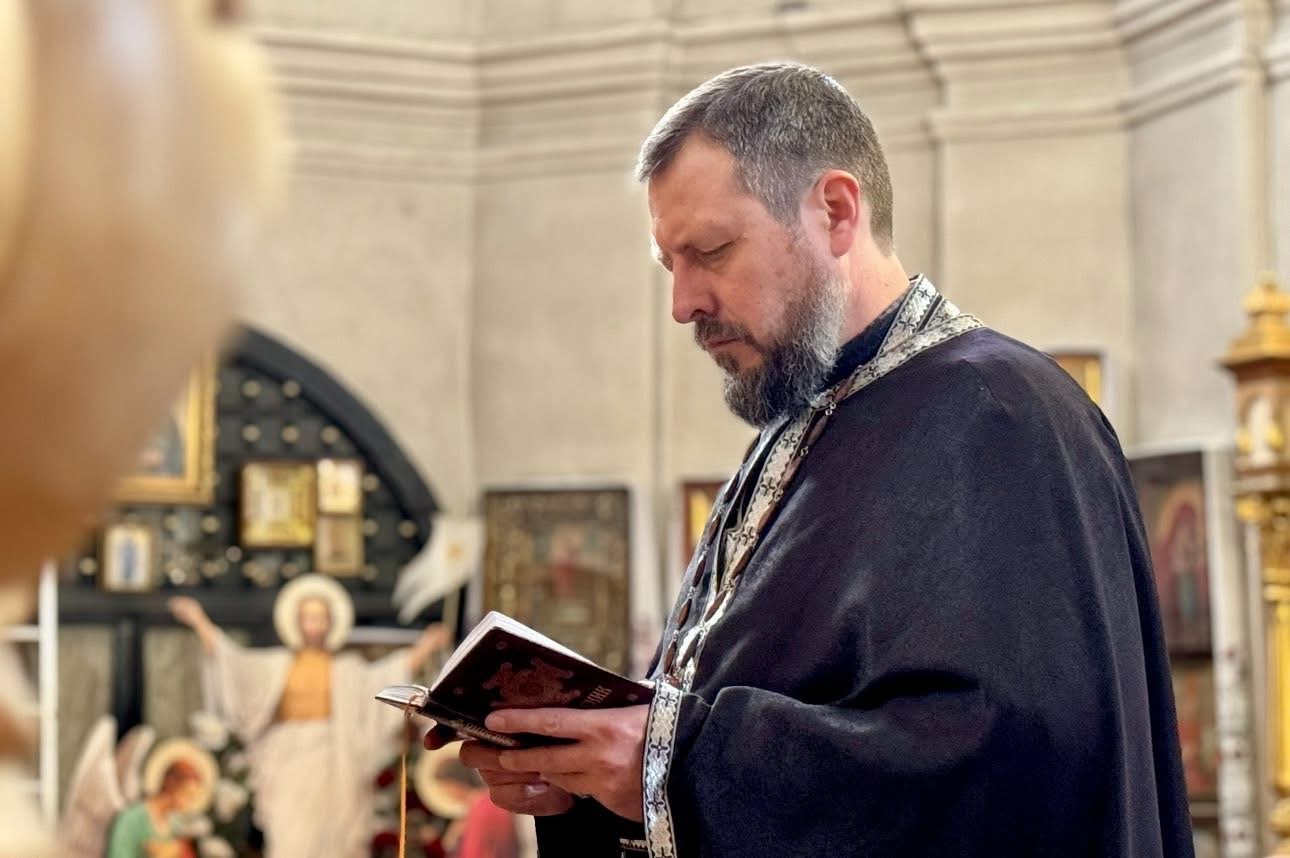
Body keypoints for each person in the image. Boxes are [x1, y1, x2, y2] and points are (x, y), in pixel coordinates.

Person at [428, 62, 1194, 856]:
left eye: (711, 251)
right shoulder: (796, 431)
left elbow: (1005, 767)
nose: (683, 304)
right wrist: (590, 780)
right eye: (670, 266)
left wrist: (672, 765)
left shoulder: (998, 413)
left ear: (835, 211)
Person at [170, 574, 450, 857]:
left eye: (320, 617)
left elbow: (384, 679)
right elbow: (232, 663)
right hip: (287, 763)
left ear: (331, 622)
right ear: (297, 621)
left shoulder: (346, 669)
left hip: (334, 763)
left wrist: (426, 645)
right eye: (308, 617)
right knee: (291, 837)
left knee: (335, 838)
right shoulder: (276, 665)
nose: (315, 624)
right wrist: (199, 622)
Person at [104, 760, 202, 858]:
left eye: (193, 798)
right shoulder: (131, 819)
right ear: (171, 784)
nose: (191, 803)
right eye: (188, 794)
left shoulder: (176, 823)